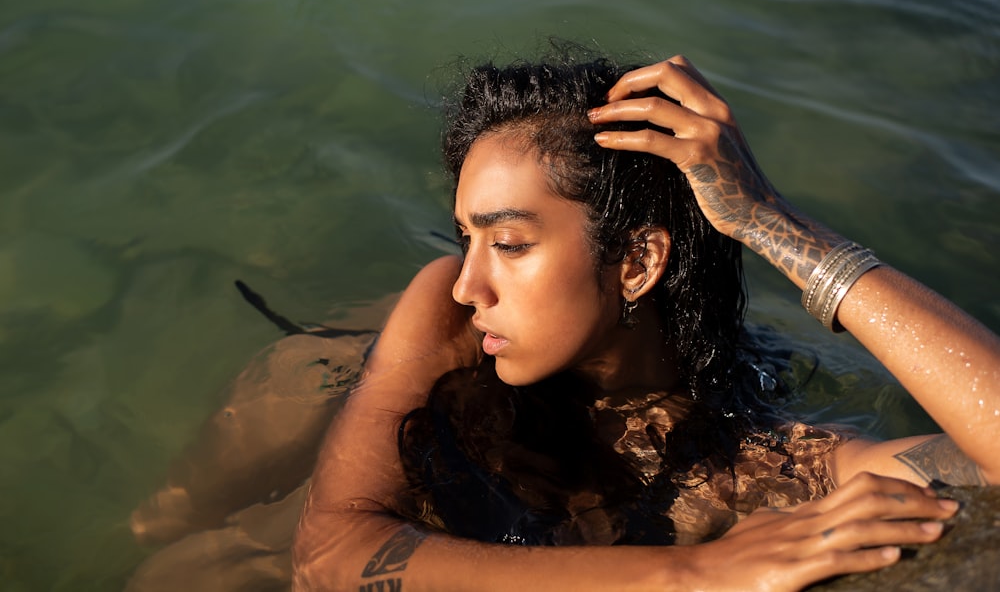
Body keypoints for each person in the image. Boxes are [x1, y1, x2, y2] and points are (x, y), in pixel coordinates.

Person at [292, 50, 999, 592]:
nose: (471, 283)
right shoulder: (448, 309)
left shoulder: (762, 466)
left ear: (636, 263)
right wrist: (691, 575)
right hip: (326, 383)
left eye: (507, 245)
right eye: (465, 239)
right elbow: (326, 557)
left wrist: (766, 219)